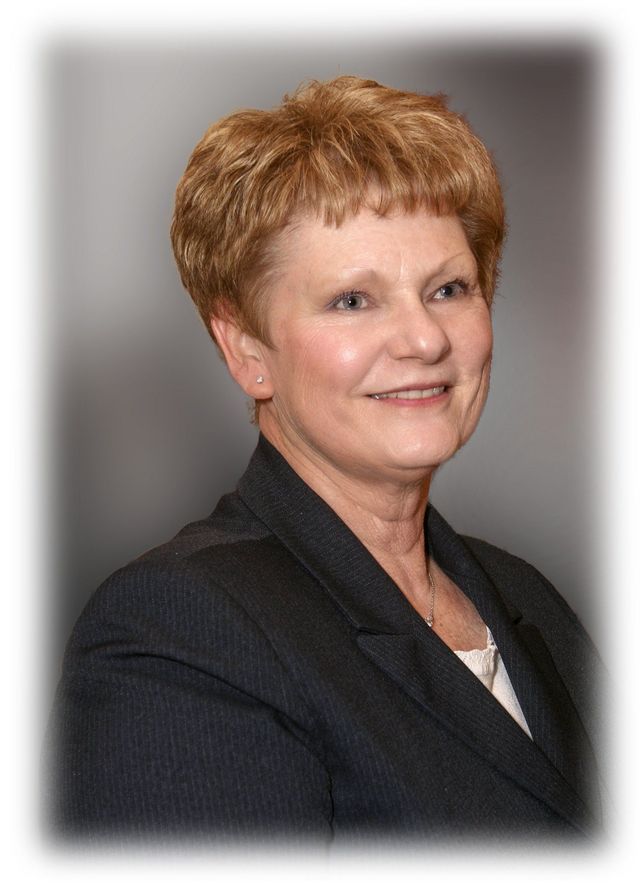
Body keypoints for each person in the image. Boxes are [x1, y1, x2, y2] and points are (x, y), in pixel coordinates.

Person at [49, 76, 603, 844]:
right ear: (247, 351)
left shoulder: (528, 599)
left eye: (449, 288)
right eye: (353, 301)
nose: (425, 339)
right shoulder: (180, 631)